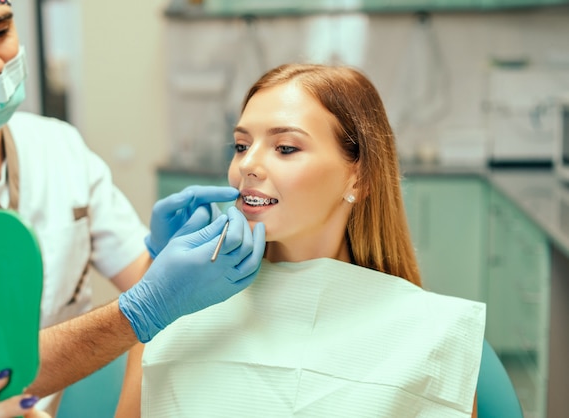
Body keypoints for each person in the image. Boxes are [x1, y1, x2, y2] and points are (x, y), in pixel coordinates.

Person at [0, 2, 263, 417]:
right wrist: (140, 311)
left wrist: (162, 256)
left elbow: (153, 287)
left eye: (0, 32)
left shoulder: (59, 147)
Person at [113, 63, 486, 417]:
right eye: (241, 146)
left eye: (285, 148)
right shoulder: (180, 310)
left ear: (358, 178)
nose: (246, 165)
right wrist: (153, 282)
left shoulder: (432, 337)